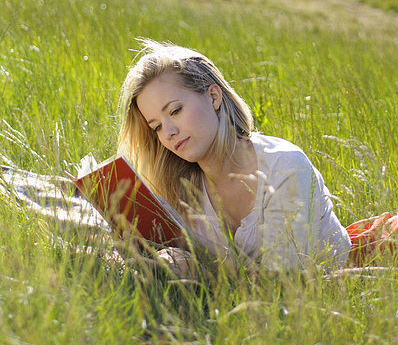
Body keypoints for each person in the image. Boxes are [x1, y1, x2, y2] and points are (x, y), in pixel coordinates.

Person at [117, 39, 393, 277]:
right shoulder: (179, 186)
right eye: (156, 126)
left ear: (213, 96)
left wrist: (199, 273)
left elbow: (281, 286)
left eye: (175, 111)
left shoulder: (284, 166)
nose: (169, 132)